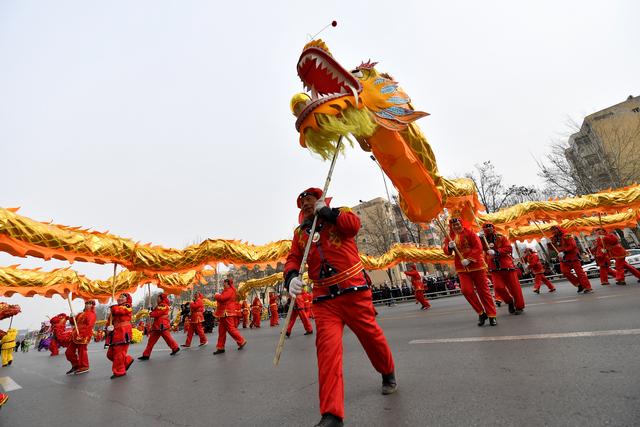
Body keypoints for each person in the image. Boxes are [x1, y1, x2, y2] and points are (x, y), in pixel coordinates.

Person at [284, 187, 396, 427]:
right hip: (324, 300)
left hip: (353, 292)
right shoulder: (301, 233)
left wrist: (329, 213)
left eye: (311, 200)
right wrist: (291, 277)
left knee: (371, 337)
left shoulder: (339, 213)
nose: (306, 205)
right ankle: (332, 415)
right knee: (327, 353)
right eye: (302, 203)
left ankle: (388, 372)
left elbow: (352, 226)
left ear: (321, 200)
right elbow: (293, 257)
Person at [443, 218, 497, 326]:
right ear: (451, 227)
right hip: (461, 268)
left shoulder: (470, 232)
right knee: (466, 290)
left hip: (476, 266)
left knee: (483, 291)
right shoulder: (450, 236)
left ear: (461, 224)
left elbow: (478, 247)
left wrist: (469, 259)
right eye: (454, 225)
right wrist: (449, 247)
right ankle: (481, 312)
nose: (456, 226)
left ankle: (492, 315)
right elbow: (446, 251)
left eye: (458, 224)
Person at [480, 223, 525, 315]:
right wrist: (479, 239)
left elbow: (508, 248)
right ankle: (509, 301)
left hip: (507, 266)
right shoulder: (483, 239)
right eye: (486, 227)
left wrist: (496, 251)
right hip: (494, 268)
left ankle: (519, 306)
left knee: (514, 288)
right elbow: (478, 248)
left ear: (493, 228)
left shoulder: (501, 237)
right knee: (498, 288)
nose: (488, 229)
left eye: (490, 227)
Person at [548, 226, 593, 294]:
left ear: (558, 229)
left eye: (554, 229)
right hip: (563, 258)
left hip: (573, 256)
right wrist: (549, 244)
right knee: (564, 272)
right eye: (552, 230)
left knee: (580, 273)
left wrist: (564, 252)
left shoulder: (567, 235)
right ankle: (578, 284)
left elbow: (573, 245)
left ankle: (587, 287)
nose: (553, 231)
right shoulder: (554, 238)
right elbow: (553, 248)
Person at [138, 293, 180, 360]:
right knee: (151, 341)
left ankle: (175, 348)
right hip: (157, 325)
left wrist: (150, 312)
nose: (157, 299)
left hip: (162, 324)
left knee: (168, 338)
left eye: (158, 298)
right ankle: (146, 354)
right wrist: (151, 309)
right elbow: (156, 312)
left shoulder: (163, 305)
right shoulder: (160, 305)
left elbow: (157, 313)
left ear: (161, 298)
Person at [213, 278, 247, 355]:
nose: (223, 284)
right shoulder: (227, 290)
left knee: (231, 329)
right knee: (221, 331)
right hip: (224, 313)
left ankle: (241, 341)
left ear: (228, 283)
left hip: (227, 312)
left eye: (224, 283)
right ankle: (220, 347)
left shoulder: (230, 290)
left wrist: (216, 295)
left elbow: (222, 298)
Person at [65, 299, 97, 375]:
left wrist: (83, 335)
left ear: (92, 305)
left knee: (82, 351)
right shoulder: (80, 314)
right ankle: (76, 365)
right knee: (68, 352)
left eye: (90, 304)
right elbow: (73, 323)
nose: (87, 305)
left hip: (84, 335)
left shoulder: (92, 314)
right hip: (75, 335)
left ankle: (84, 366)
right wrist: (71, 317)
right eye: (86, 303)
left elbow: (89, 326)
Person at [106, 293, 134, 379]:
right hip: (115, 333)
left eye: (123, 297)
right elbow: (110, 320)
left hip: (123, 331)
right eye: (120, 297)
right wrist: (108, 327)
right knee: (110, 354)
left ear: (127, 299)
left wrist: (113, 306)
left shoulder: (127, 306)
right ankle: (127, 360)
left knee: (119, 353)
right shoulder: (115, 308)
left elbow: (119, 311)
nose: (120, 298)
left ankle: (120, 371)